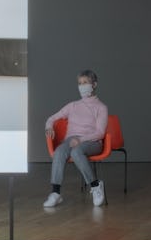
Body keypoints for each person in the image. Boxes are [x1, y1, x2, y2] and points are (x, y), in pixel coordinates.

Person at [42, 70, 108, 208]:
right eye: (79, 83)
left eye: (85, 83)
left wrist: (81, 139)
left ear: (94, 84)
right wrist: (49, 126)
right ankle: (55, 193)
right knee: (59, 151)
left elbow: (100, 133)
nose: (82, 86)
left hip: (92, 141)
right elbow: (52, 118)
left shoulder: (101, 108)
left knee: (76, 151)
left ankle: (95, 186)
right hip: (71, 140)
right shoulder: (73, 106)